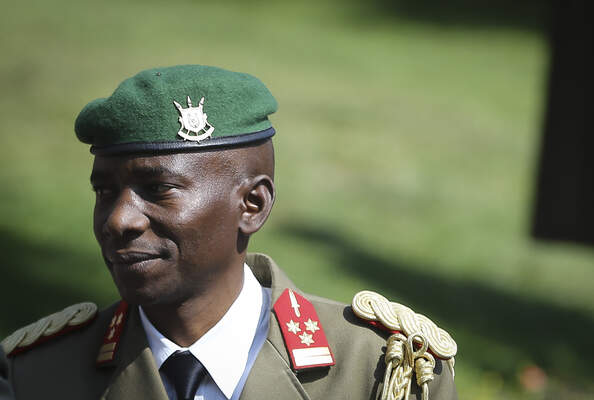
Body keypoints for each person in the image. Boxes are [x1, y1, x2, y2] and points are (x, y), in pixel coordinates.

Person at [1, 65, 457, 400]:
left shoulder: (379, 371)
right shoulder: (38, 375)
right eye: (104, 191)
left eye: (157, 189)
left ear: (252, 206)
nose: (119, 220)